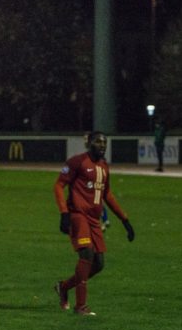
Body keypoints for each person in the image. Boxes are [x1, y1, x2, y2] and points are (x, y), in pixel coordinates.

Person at [54, 132, 135, 315]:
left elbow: (107, 195)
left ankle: (64, 287)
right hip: (78, 216)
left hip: (94, 220)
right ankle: (80, 306)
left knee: (98, 264)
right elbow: (59, 185)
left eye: (104, 142)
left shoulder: (104, 167)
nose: (102, 145)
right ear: (89, 143)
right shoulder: (77, 162)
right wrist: (64, 213)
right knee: (87, 255)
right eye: (98, 141)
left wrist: (125, 220)